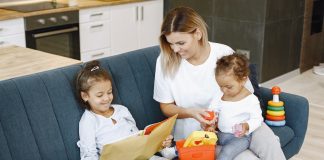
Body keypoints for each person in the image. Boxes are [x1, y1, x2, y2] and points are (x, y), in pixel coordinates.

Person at [153, 6, 286, 160]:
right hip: (205, 135)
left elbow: (246, 92)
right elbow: (166, 107)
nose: (175, 49)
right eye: (171, 43)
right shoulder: (165, 61)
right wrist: (192, 113)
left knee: (270, 144)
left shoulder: (223, 53)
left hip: (241, 125)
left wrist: (245, 125)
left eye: (181, 43)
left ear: (197, 33)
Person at [75, 60, 177, 160]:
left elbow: (136, 134)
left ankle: (168, 149)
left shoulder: (121, 110)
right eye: (100, 95)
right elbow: (89, 155)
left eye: (109, 92)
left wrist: (157, 140)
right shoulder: (88, 121)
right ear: (85, 96)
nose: (106, 98)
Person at [205, 54, 263, 160]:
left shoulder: (250, 100)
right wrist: (211, 125)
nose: (223, 90)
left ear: (243, 80)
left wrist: (246, 125)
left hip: (239, 138)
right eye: (220, 86)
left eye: (228, 87)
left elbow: (258, 119)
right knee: (201, 143)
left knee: (226, 153)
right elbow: (213, 111)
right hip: (220, 134)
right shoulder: (219, 95)